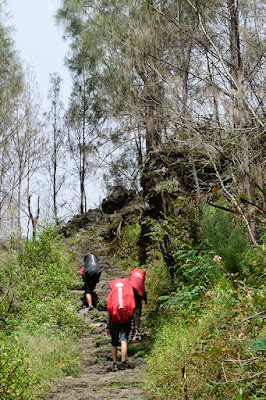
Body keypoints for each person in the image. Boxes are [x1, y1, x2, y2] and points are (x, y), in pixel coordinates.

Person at [106, 278, 137, 371]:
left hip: (114, 320)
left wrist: (108, 324)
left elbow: (109, 309)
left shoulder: (113, 294)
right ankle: (123, 362)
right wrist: (135, 327)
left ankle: (115, 363)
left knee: (114, 342)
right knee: (124, 339)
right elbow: (133, 310)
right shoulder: (128, 293)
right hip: (126, 320)